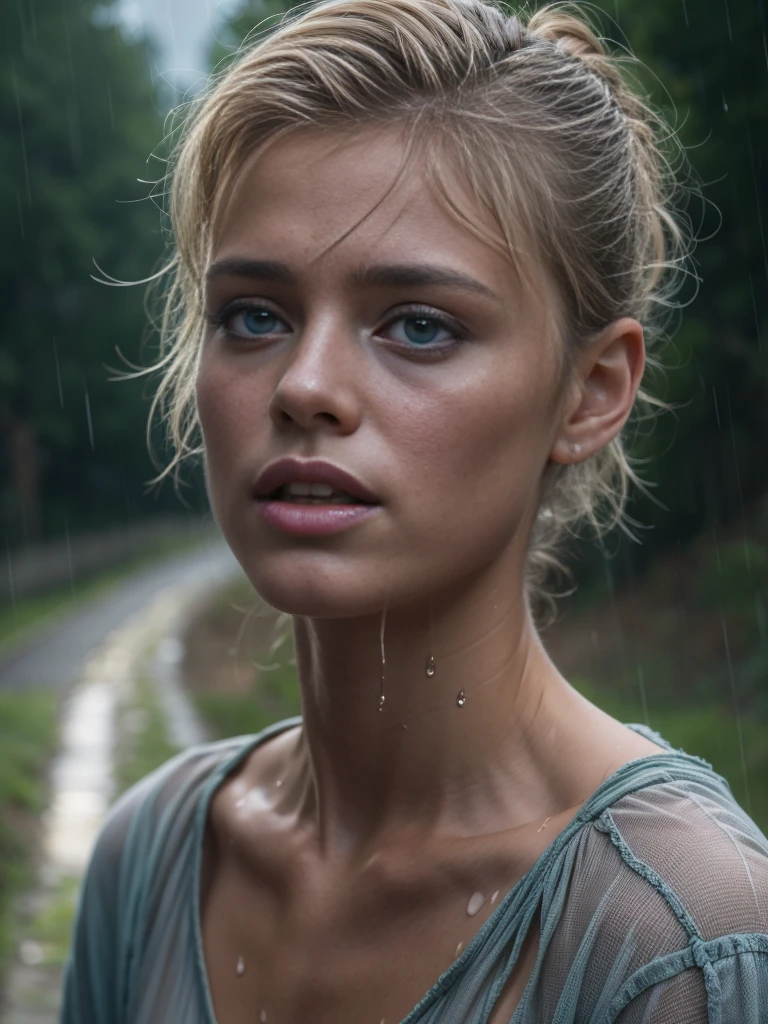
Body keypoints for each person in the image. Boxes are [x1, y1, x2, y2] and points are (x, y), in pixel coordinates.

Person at [60, 1, 768, 1021]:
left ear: (591, 390)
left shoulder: (678, 938)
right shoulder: (152, 859)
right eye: (254, 315)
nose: (305, 385)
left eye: (420, 326)